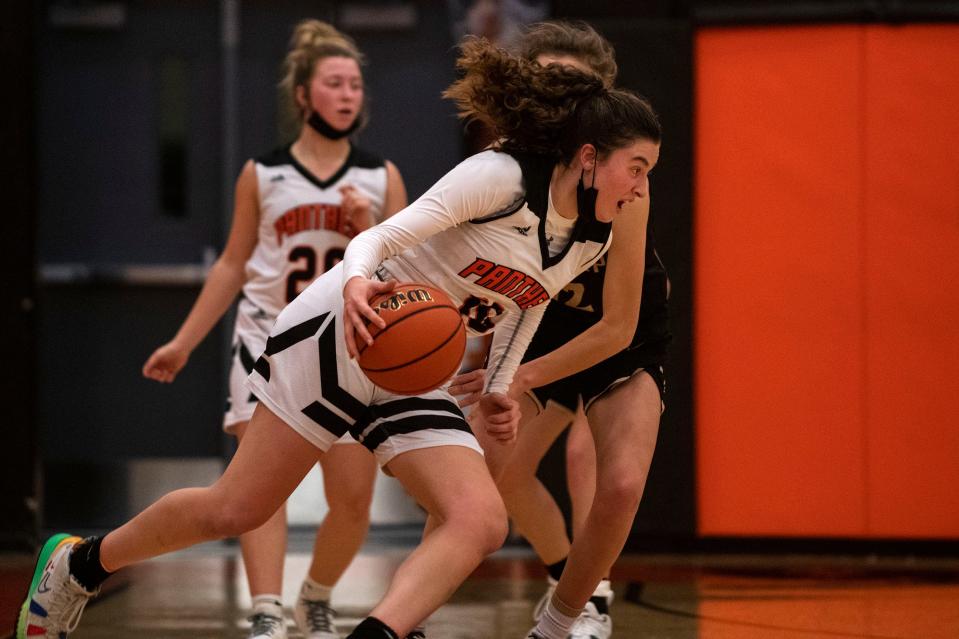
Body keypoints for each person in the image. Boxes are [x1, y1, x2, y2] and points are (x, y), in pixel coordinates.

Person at [17, 35, 660, 639]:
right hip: (341, 330)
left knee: (480, 521)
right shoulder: (500, 178)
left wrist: (498, 386)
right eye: (636, 167)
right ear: (588, 158)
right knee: (236, 507)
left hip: (412, 364)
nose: (641, 186)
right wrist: (355, 284)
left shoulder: (593, 236)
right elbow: (375, 239)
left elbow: (529, 301)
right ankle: (79, 566)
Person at [140, 20, 407, 639]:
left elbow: (405, 271)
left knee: (352, 501)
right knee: (259, 492)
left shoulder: (381, 177)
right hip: (268, 340)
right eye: (335, 83)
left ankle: (314, 596)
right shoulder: (262, 174)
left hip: (347, 345)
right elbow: (234, 264)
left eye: (356, 85)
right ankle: (265, 612)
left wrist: (367, 228)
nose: (348, 94)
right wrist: (183, 341)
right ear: (303, 96)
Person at [449, 20, 670, 639]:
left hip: (615, 337)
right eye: (551, 84)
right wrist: (472, 351)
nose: (564, 103)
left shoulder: (622, 182)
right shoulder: (501, 173)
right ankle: (562, 576)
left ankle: (576, 608)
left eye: (578, 90)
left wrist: (521, 377)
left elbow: (619, 323)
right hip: (539, 327)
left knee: (611, 476)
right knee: (488, 474)